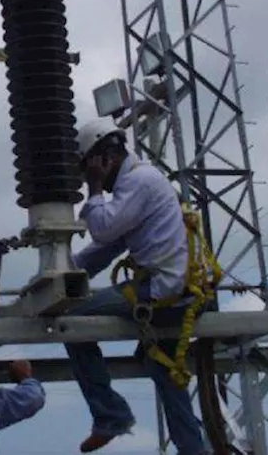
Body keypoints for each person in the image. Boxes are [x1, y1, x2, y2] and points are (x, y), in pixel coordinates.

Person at [65, 119, 210, 455]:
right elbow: (107, 247)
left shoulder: (139, 181)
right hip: (178, 293)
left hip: (161, 293)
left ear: (105, 158)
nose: (89, 177)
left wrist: (96, 190)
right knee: (166, 373)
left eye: (90, 169)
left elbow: (102, 229)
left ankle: (110, 416)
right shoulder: (140, 183)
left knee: (73, 320)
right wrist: (63, 270)